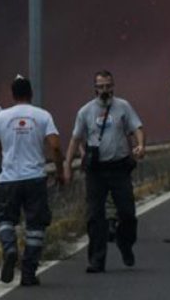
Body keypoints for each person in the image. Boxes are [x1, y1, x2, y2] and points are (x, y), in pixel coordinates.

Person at [64, 70, 145, 273]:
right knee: (95, 216)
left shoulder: (123, 107)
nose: (105, 90)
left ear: (113, 86)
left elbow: (137, 127)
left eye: (108, 86)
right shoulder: (85, 112)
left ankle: (124, 243)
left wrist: (140, 145)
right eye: (101, 86)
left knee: (128, 213)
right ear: (95, 88)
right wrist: (67, 166)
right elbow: (75, 139)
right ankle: (97, 260)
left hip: (119, 168)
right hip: (96, 171)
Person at [0, 75, 63, 287]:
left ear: (13, 94)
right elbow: (55, 147)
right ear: (31, 93)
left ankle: (10, 248)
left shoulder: (2, 117)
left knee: (4, 220)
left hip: (9, 180)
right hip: (35, 179)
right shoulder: (42, 116)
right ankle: (29, 273)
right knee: (35, 226)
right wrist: (60, 172)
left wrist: (6, 160)